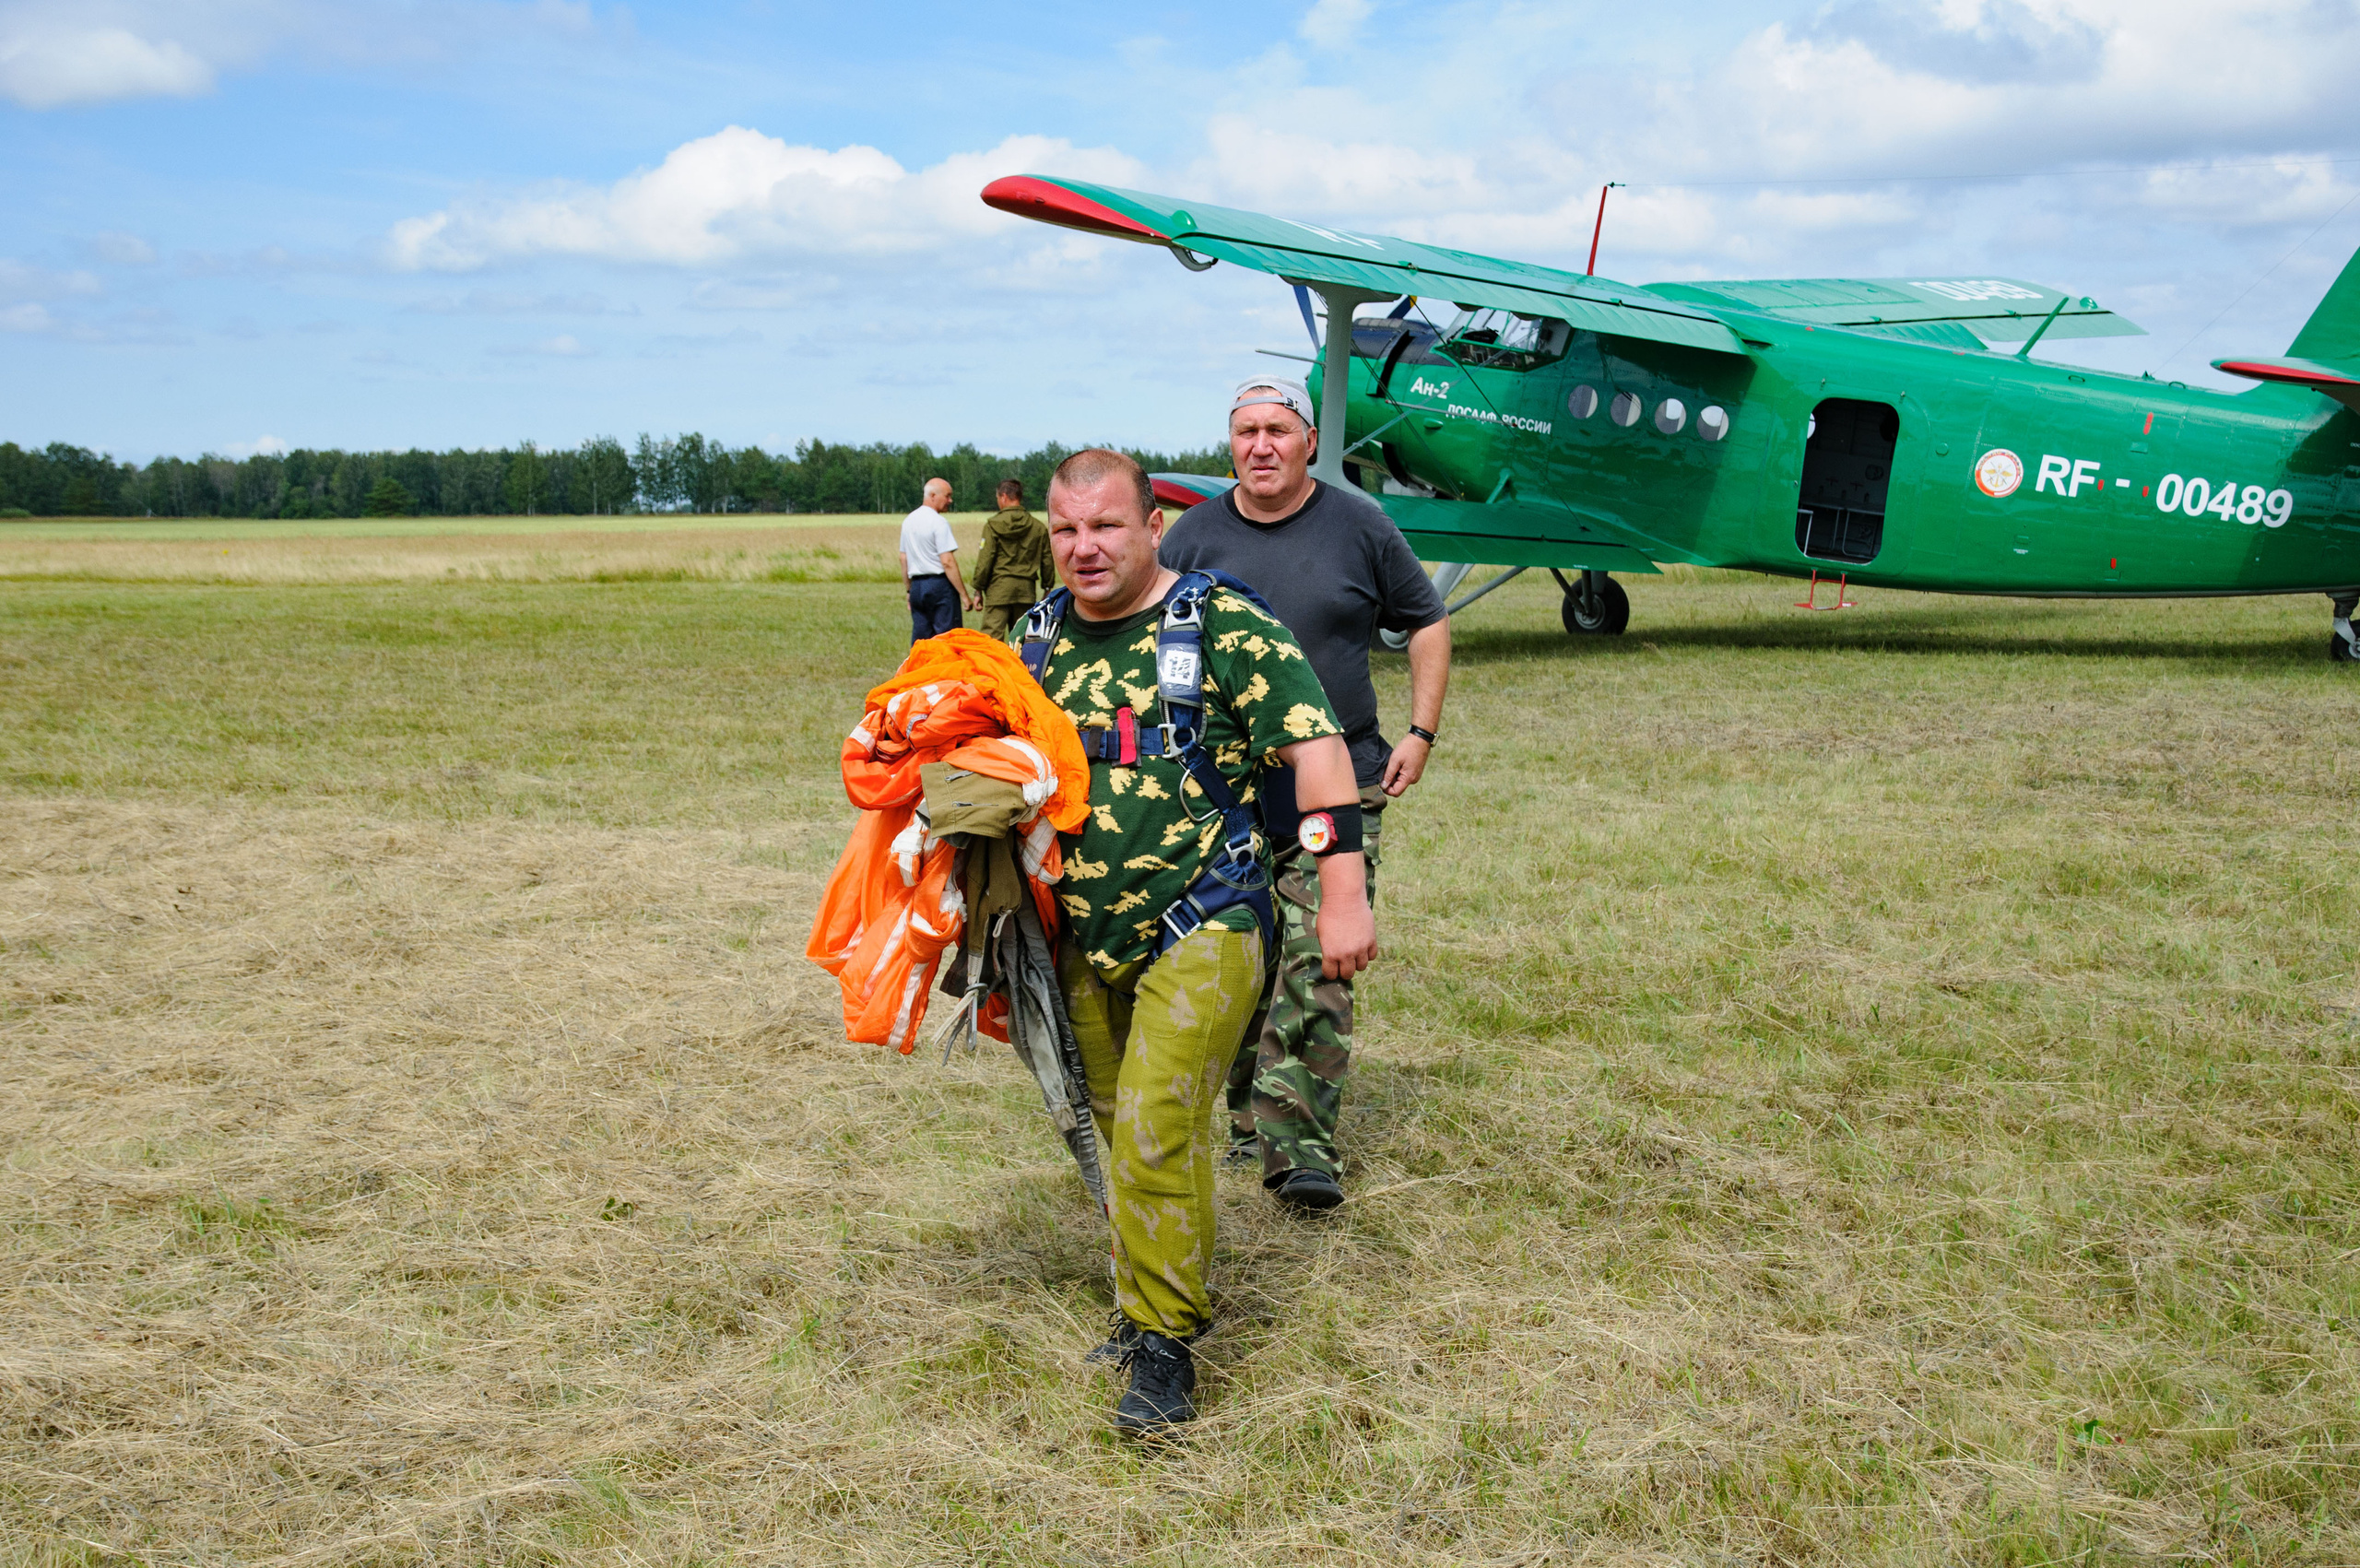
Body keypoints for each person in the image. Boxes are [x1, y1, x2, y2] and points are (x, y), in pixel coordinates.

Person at [1030, 447, 1375, 1435]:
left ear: (1150, 527)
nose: (1085, 548)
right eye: (1067, 530)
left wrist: (1340, 894)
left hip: (1208, 914)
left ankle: (1165, 1348)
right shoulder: (1037, 636)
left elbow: (1317, 755)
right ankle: (1145, 1308)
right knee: (1114, 1122)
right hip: (1081, 935)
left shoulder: (1219, 621)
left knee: (1154, 1121)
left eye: (1105, 526)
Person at [1160, 377, 1450, 1211]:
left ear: (1308, 441)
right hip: (1224, 792)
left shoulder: (1360, 524)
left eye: (1277, 430)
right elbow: (1153, 635)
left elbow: (1426, 620)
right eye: (1246, 430)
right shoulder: (1194, 535)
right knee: (1242, 953)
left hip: (1337, 784)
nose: (1261, 445)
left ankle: (1298, 1148)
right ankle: (1250, 1112)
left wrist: (1420, 732)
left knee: (1322, 948)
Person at [969, 477, 1054, 639]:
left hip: (998, 590)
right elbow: (1047, 559)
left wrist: (978, 588)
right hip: (1026, 591)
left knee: (992, 641)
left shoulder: (992, 525)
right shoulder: (1037, 527)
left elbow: (985, 559)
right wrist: (1047, 587)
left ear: (1003, 497)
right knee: (1024, 639)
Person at [898, 477, 969, 643]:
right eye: (947, 496)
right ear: (932, 495)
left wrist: (909, 590)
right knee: (947, 638)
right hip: (939, 586)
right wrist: (964, 595)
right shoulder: (939, 522)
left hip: (917, 586)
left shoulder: (908, 521)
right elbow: (947, 562)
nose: (950, 500)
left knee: (921, 639)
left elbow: (903, 559)